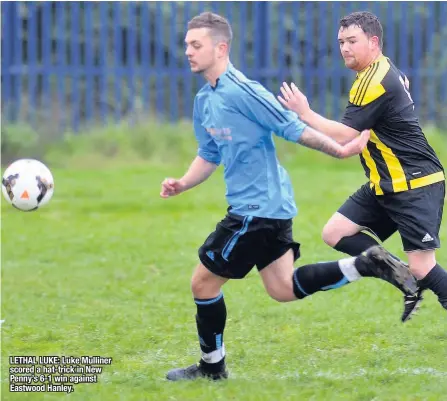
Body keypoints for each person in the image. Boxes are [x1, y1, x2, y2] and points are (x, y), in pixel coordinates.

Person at [161, 12, 416, 382]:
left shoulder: (243, 91)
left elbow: (291, 127)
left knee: (202, 283)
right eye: (187, 45)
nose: (188, 52)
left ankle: (212, 368)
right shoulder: (205, 100)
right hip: (269, 209)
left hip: (257, 210)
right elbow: (210, 153)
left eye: (195, 45)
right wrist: (183, 183)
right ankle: (366, 264)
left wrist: (341, 150)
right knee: (282, 289)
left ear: (221, 48)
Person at [278, 11, 446, 323]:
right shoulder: (380, 70)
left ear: (373, 42)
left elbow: (345, 134)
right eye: (341, 42)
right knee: (336, 232)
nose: (344, 48)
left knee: (424, 268)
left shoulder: (374, 80)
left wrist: (305, 112)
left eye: (352, 41)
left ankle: (411, 278)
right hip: (385, 184)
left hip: (415, 183)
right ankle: (400, 275)